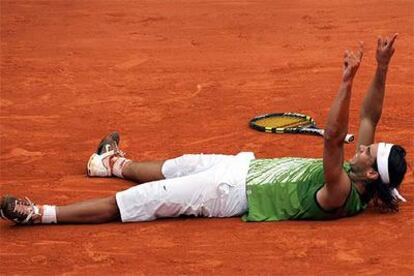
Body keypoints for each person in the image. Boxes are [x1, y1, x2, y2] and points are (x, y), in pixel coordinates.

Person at [0, 34, 407, 225]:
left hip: (228, 194)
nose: (363, 147)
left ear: (370, 174)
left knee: (137, 202)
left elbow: (335, 140)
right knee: (174, 166)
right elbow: (369, 118)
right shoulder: (364, 174)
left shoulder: (339, 194)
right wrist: (383, 66)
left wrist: (346, 82)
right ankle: (110, 164)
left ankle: (40, 215)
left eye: (368, 153)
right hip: (242, 169)